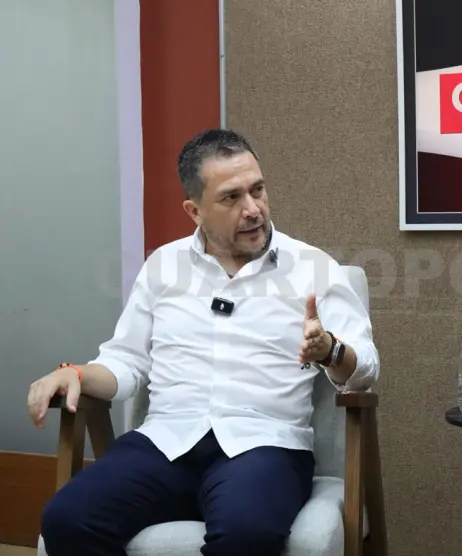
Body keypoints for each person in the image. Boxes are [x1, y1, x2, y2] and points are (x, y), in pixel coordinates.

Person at [27, 129, 380, 556]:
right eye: (231, 198)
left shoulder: (313, 268)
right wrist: (76, 374)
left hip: (263, 447)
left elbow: (365, 368)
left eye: (257, 190)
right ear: (194, 211)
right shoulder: (163, 266)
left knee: (246, 532)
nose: (253, 209)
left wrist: (331, 351)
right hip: (165, 443)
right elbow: (126, 362)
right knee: (67, 519)